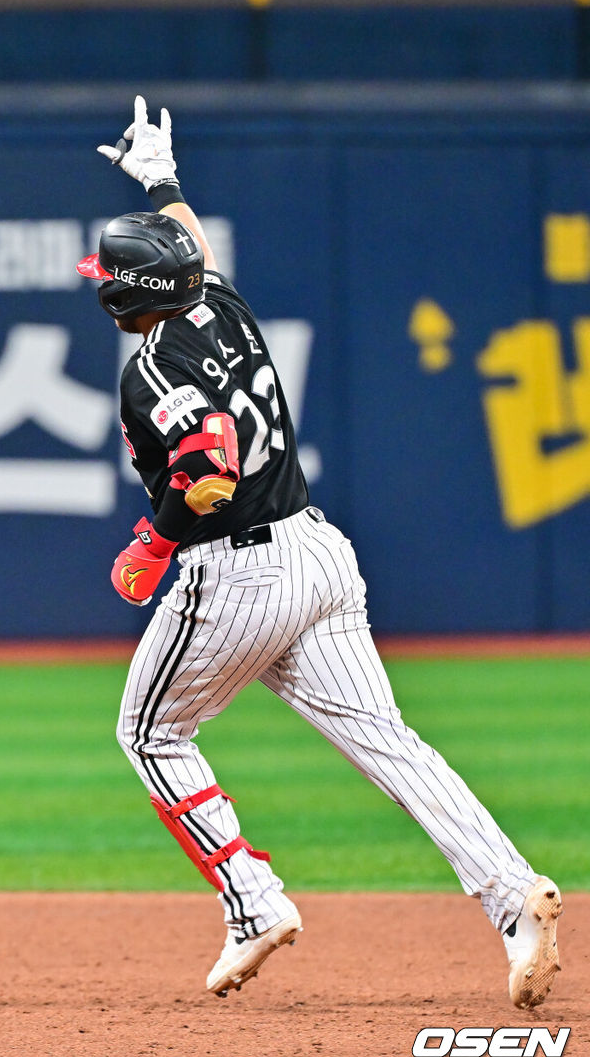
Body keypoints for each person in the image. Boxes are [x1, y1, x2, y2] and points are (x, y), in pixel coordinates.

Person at [78, 96, 562, 1008]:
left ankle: (254, 901)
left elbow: (209, 471)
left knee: (150, 732)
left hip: (238, 573)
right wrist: (161, 182)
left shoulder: (150, 370)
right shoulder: (218, 299)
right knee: (390, 741)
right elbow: (194, 253)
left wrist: (152, 541)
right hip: (319, 555)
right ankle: (512, 897)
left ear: (118, 295)